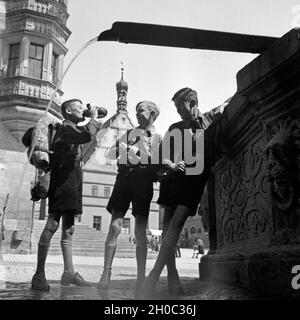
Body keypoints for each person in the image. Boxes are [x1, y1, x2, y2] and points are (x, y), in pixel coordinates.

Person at [139, 87, 227, 299]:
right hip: (173, 181)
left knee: (175, 226)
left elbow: (227, 105)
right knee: (169, 229)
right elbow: (161, 156)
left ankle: (153, 277)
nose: (178, 110)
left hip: (194, 181)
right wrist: (169, 164)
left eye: (181, 106)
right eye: (176, 106)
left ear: (194, 103)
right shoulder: (174, 128)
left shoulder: (208, 121)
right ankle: (173, 278)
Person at [31, 99, 102, 291]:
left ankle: (69, 272)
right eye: (79, 107)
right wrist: (93, 118)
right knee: (53, 223)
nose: (83, 110)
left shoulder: (73, 129)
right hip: (63, 178)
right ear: (68, 111)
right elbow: (86, 134)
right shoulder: (64, 128)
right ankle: (38, 274)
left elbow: (87, 137)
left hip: (74, 177)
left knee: (69, 228)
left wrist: (91, 121)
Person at [97, 101, 161, 297]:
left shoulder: (158, 138)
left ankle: (140, 278)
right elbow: (109, 153)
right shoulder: (130, 133)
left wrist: (141, 154)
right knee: (115, 226)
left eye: (141, 110)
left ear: (152, 114)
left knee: (140, 231)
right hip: (123, 179)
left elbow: (160, 164)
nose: (137, 114)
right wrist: (119, 149)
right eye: (136, 111)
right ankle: (106, 273)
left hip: (143, 181)